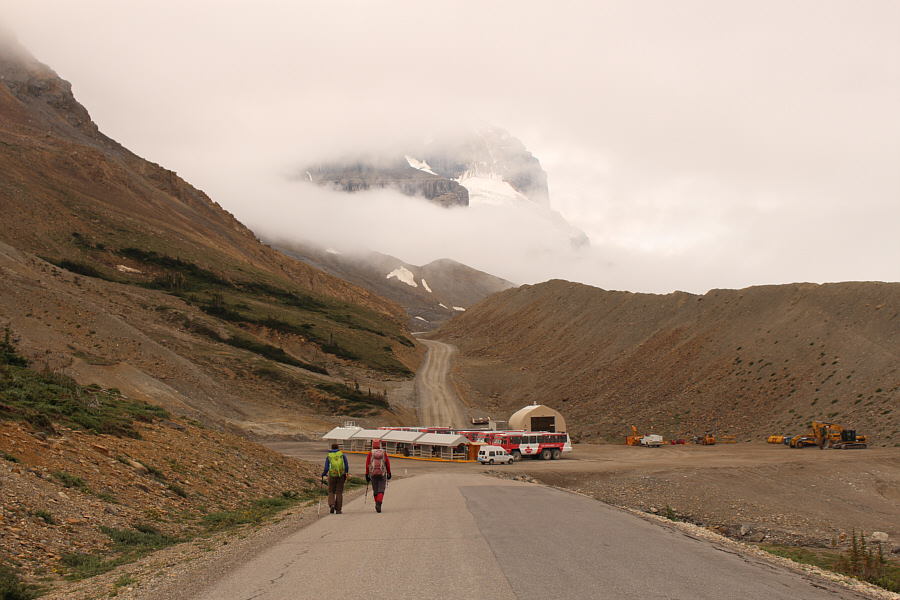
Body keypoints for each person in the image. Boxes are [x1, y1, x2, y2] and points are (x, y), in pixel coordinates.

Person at [365, 440, 391, 513]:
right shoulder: (383, 453)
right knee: (381, 490)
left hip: (373, 474)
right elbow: (387, 463)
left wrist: (367, 474)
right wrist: (389, 473)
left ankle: (377, 503)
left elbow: (368, 464)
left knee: (375, 490)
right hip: (382, 473)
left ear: (373, 445)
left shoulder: (370, 453)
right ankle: (379, 504)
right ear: (379, 445)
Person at [321, 443, 349, 514]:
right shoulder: (342, 455)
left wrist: (323, 474)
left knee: (331, 491)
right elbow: (346, 466)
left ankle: (332, 504)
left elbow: (327, 467)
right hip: (341, 475)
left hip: (332, 475)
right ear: (338, 448)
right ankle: (338, 509)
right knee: (339, 492)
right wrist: (346, 472)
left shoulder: (329, 456)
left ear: (331, 448)